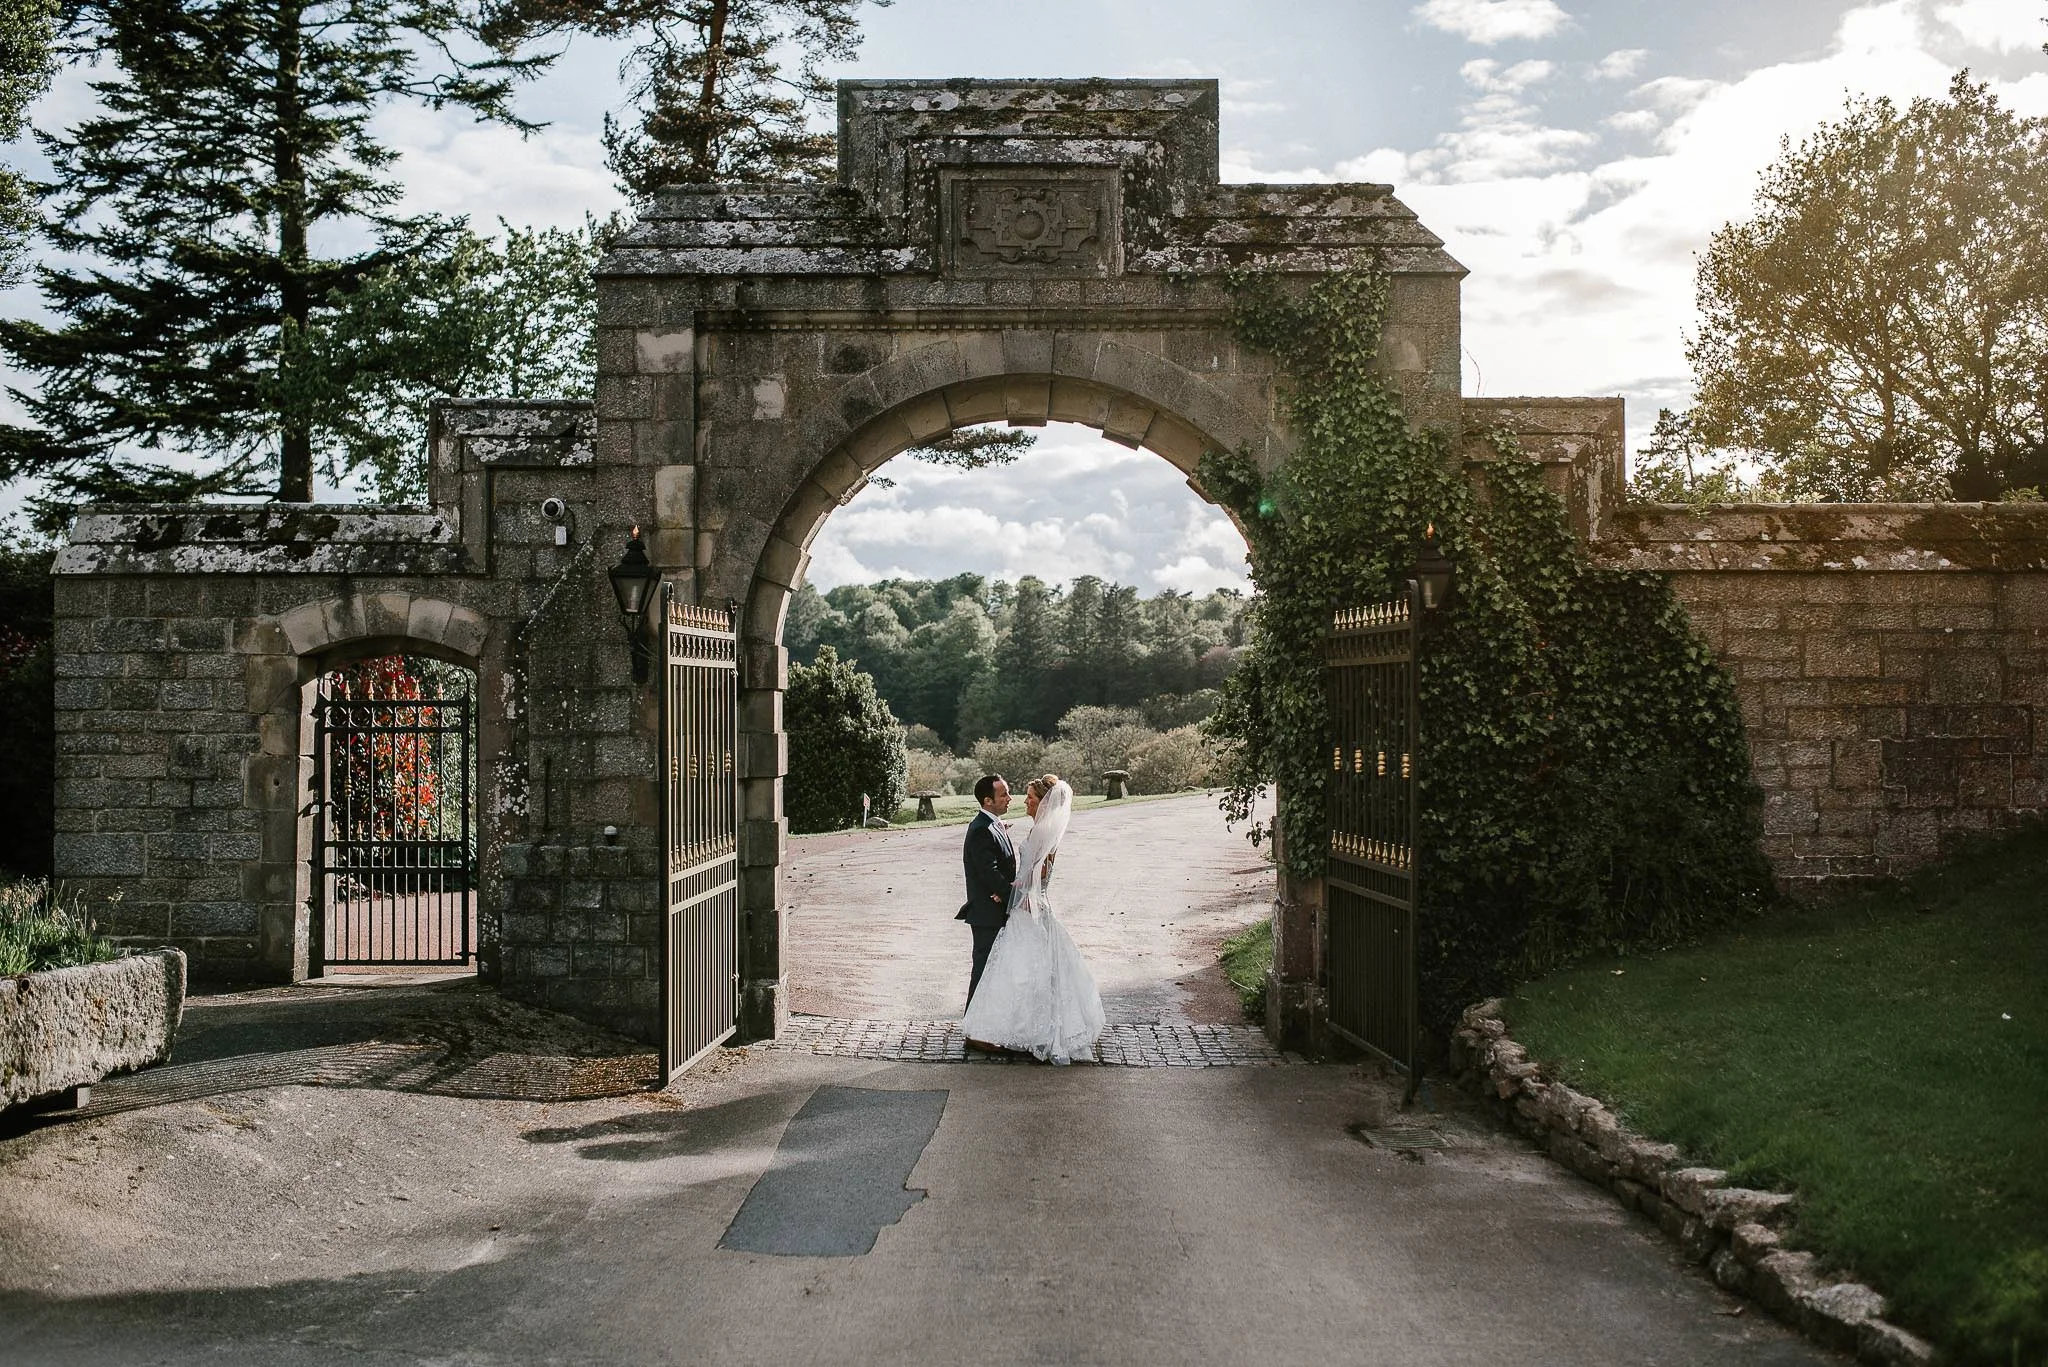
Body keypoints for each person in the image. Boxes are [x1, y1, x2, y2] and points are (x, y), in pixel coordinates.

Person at [959, 774, 1105, 1065]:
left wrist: (1015, 890)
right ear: (987, 800)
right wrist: (1013, 889)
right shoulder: (999, 828)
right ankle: (981, 1028)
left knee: (1019, 974)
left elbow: (1041, 871)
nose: (1019, 800)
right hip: (1015, 909)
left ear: (1043, 803)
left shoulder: (1041, 832)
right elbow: (997, 871)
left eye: (1029, 797)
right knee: (1010, 972)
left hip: (1028, 909)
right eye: (1007, 795)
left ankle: (1001, 1029)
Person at [957, 773, 1016, 1013]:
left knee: (995, 970)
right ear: (987, 800)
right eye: (1003, 794)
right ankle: (973, 1026)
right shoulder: (982, 829)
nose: (1009, 798)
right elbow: (988, 872)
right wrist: (1013, 895)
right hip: (987, 914)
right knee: (983, 969)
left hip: (995, 911)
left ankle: (986, 1024)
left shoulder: (992, 824)